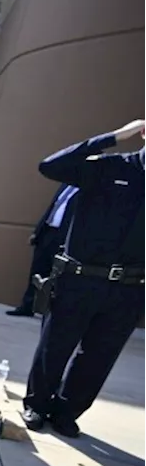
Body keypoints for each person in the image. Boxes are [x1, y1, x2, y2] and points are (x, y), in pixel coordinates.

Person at [22, 118, 146, 437]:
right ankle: (37, 404)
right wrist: (115, 137)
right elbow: (50, 166)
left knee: (98, 358)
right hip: (78, 279)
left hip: (130, 289)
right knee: (56, 345)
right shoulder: (108, 167)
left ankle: (67, 412)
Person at [7, 184, 78, 317]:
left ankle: (49, 311)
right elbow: (51, 208)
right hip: (48, 231)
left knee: (56, 276)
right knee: (37, 270)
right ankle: (27, 306)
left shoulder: (88, 190)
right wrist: (37, 232)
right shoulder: (65, 186)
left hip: (63, 236)